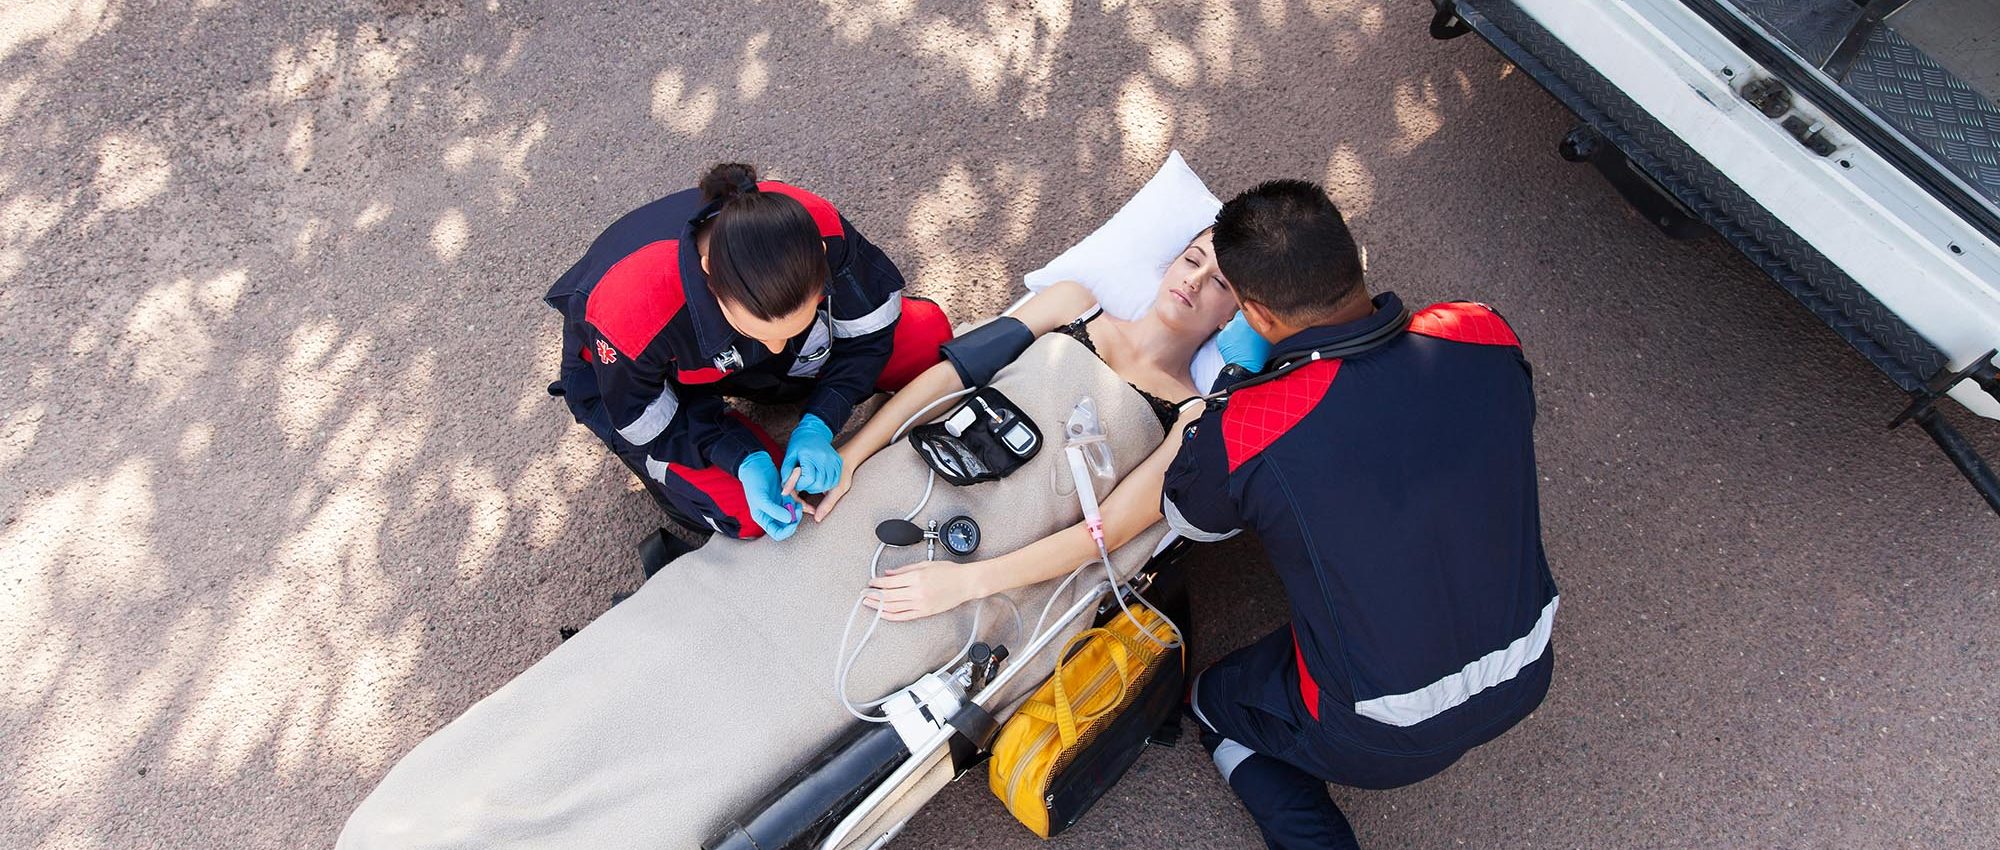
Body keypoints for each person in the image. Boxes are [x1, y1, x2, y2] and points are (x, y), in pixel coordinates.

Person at [1163, 180, 1558, 850]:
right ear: (1356, 261)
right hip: (1529, 668)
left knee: (1215, 702)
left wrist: (1233, 388)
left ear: (1254, 316)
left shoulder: (1256, 424)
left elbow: (1190, 517)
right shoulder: (1482, 328)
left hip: (1379, 735)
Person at [813, 230, 1239, 620]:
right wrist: (854, 454)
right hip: (925, 466)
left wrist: (967, 584)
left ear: (1233, 317)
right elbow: (953, 376)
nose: (1195, 280)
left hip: (997, 563)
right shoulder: (1074, 306)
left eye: (1220, 282)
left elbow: (1107, 530)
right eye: (1191, 260)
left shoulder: (1191, 418)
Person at [544, 163, 952, 545]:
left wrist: (821, 421)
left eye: (791, 326)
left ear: (821, 259)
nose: (774, 348)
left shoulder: (816, 227)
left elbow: (869, 331)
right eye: (754, 330)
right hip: (648, 384)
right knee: (747, 511)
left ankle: (776, 350)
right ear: (709, 275)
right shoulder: (632, 311)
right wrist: (741, 457)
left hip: (728, 354)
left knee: (924, 338)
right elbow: (644, 420)